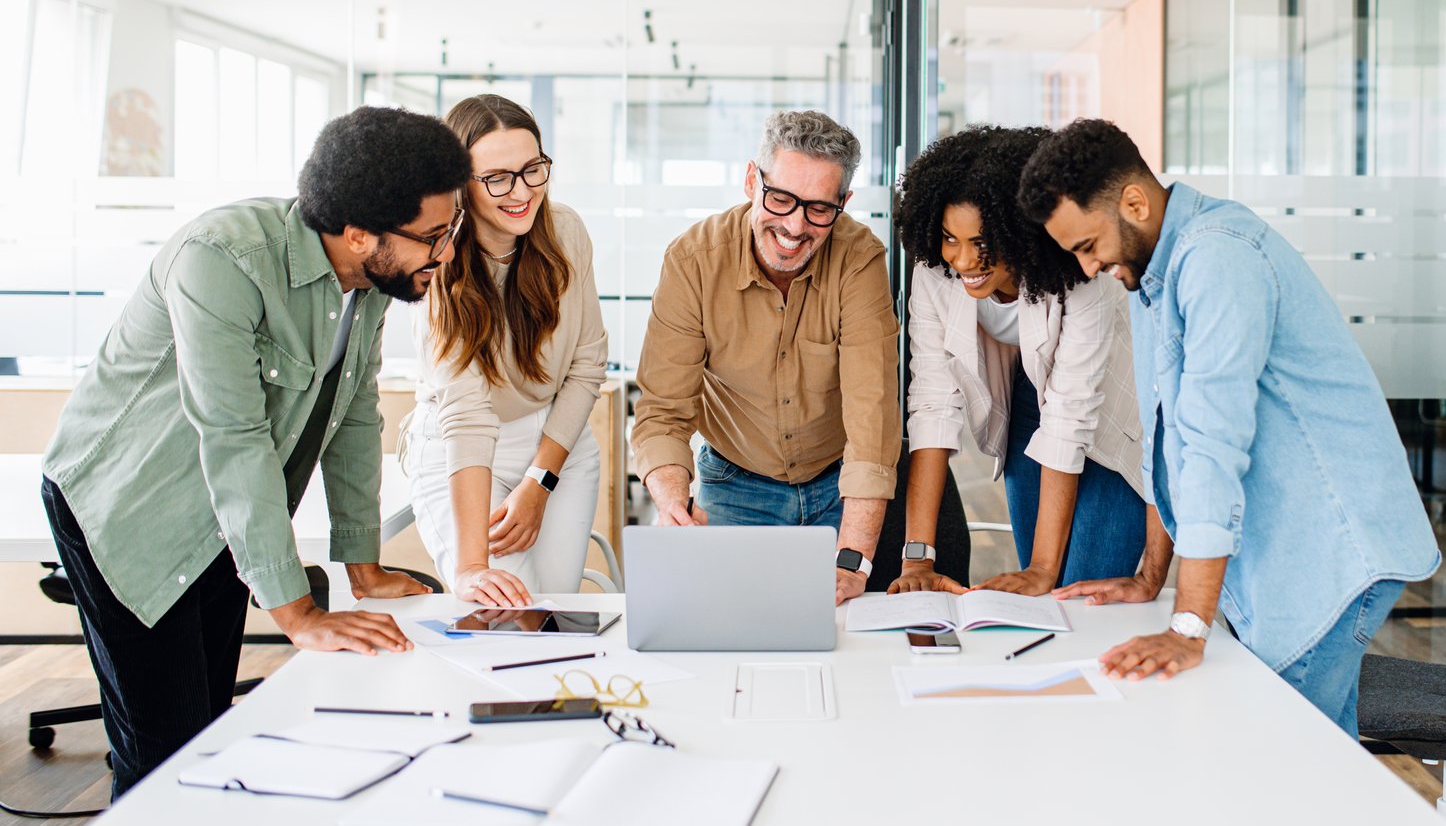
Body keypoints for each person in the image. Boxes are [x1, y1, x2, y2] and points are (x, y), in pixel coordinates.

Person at [38, 106, 470, 794]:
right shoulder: (222, 259)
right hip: (128, 508)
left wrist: (362, 567)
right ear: (359, 234)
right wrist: (299, 615)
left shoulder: (374, 281)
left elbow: (354, 413)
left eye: (452, 229)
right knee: (162, 759)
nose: (446, 252)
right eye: (433, 235)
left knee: (210, 736)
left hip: (223, 516)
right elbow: (233, 436)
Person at [1020, 119, 1441, 737]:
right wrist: (1150, 577)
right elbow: (1170, 439)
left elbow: (1214, 446)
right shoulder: (1151, 275)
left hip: (1328, 555)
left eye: (1088, 245)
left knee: (1280, 763)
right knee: (1304, 772)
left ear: (1134, 202)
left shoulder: (1218, 256)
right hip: (1280, 557)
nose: (1088, 267)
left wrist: (1187, 626)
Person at [631, 110, 900, 606]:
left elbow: (873, 418)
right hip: (733, 482)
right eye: (780, 199)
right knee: (723, 625)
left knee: (841, 638)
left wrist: (853, 560)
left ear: (844, 203)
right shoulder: (692, 262)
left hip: (838, 484)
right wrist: (672, 502)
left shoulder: (859, 259)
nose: (795, 227)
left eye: (819, 209)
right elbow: (662, 412)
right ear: (752, 180)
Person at [890, 125, 1152, 596]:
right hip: (1029, 402)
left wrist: (1044, 569)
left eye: (983, 243)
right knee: (1041, 587)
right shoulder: (936, 271)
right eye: (951, 238)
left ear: (1021, 232)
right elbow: (932, 403)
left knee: (1079, 591)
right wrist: (917, 558)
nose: (964, 261)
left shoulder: (1080, 273)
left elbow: (1072, 414)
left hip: (1110, 418)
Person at [404, 94, 608, 608]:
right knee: (506, 614)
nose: (521, 193)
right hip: (467, 450)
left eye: (532, 169)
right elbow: (468, 416)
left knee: (554, 615)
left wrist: (540, 480)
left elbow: (586, 367)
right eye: (497, 178)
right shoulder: (439, 262)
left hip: (556, 445)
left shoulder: (565, 232)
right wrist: (472, 568)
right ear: (459, 186)